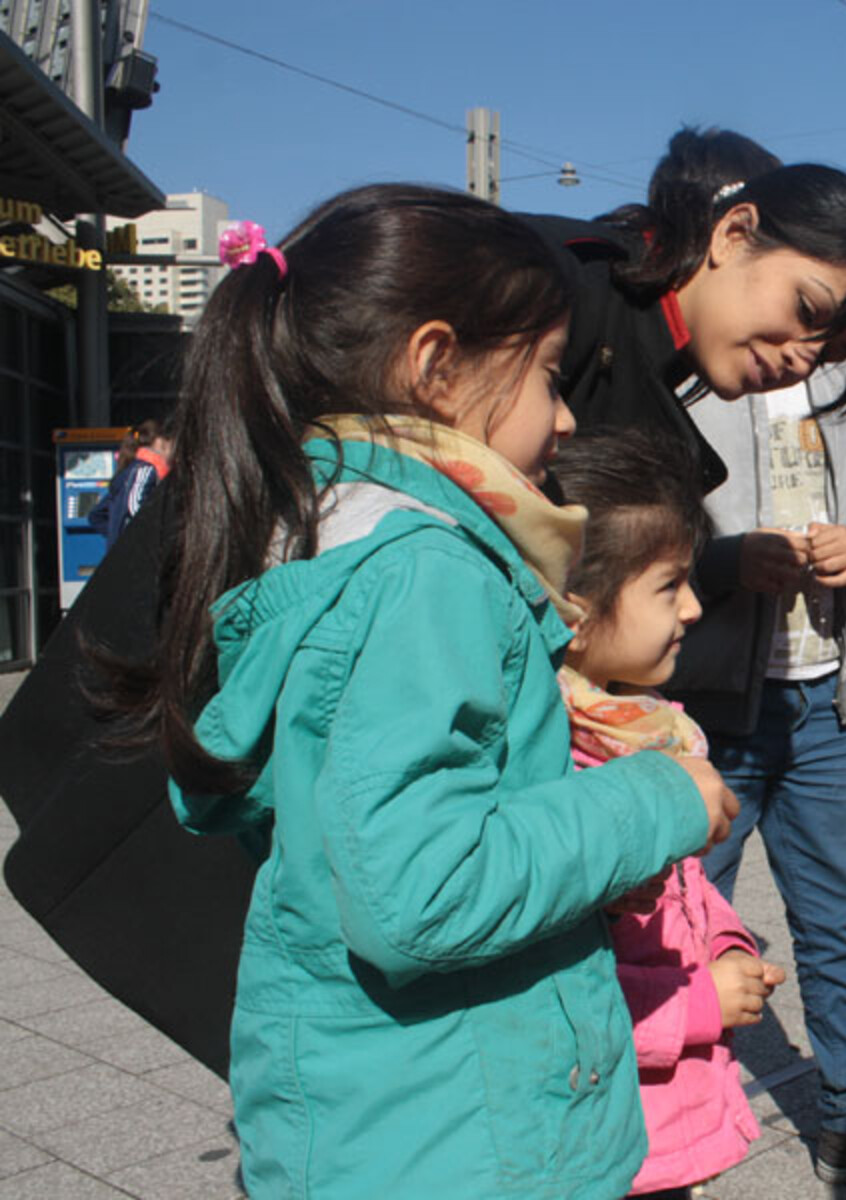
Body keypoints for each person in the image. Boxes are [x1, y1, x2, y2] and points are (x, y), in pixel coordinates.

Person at [93, 185, 741, 1198]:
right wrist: (655, 797)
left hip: (396, 1125)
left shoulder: (321, 536)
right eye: (545, 376)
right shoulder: (419, 574)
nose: (565, 419)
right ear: (437, 366)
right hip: (459, 1148)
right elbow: (419, 895)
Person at [666, 356, 846, 1185]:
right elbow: (632, 534)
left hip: (825, 698)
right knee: (677, 928)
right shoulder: (695, 378)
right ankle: (669, 1132)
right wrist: (724, 563)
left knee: (837, 923)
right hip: (708, 704)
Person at [550, 429, 785, 1200]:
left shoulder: (652, 729)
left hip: (664, 1117)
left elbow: (689, 887)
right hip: (603, 1138)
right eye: (667, 585)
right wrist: (698, 1002)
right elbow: (551, 1000)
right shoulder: (557, 771)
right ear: (574, 611)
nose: (692, 606)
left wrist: (726, 939)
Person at [528, 127, 846, 497]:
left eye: (826, 353)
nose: (803, 360)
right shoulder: (547, 283)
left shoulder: (664, 382)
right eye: (807, 310)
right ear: (734, 234)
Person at [87, 417, 173, 548]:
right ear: (159, 442)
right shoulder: (145, 470)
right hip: (136, 554)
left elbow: (96, 515)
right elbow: (135, 508)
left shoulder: (127, 473)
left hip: (120, 555)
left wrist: (115, 535)